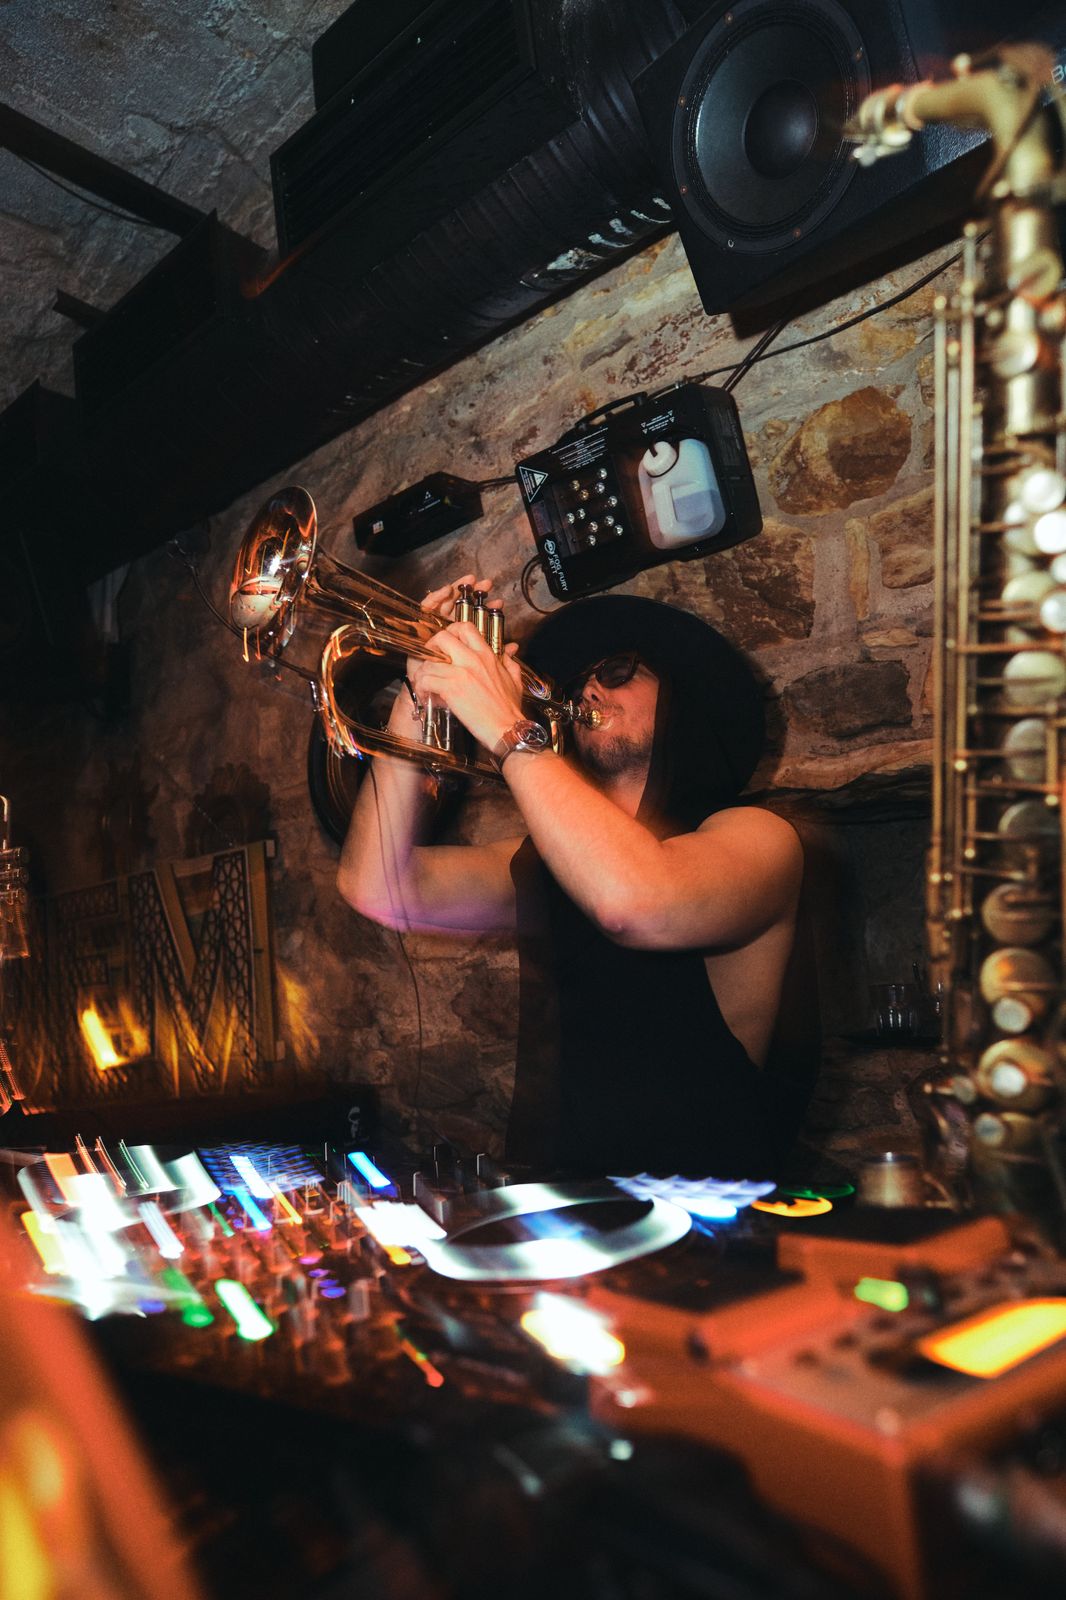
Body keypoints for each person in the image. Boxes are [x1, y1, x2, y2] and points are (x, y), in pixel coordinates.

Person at [338, 576, 807, 1179]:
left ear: (681, 697)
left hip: (707, 1212)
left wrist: (505, 725)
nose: (587, 688)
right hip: (562, 1202)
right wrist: (416, 697)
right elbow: (378, 888)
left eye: (617, 671)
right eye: (580, 679)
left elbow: (634, 901)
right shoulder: (542, 863)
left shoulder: (760, 837)